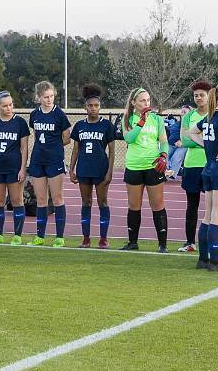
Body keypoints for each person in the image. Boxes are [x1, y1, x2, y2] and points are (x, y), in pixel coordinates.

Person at [120, 88, 169, 252]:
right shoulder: (127, 119)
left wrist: (163, 154)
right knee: (134, 205)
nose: (146, 104)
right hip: (134, 166)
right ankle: (133, 242)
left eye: (148, 100)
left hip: (153, 167)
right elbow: (129, 138)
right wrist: (141, 121)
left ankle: (162, 245)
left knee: (158, 204)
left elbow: (164, 141)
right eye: (142, 100)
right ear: (133, 103)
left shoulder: (156, 119)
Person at [69, 84, 115, 248]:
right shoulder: (80, 126)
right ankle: (86, 238)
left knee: (102, 202)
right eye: (90, 105)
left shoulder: (107, 126)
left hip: (100, 169)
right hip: (84, 169)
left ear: (100, 107)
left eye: (96, 105)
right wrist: (71, 169)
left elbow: (112, 151)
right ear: (85, 107)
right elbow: (75, 149)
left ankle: (103, 238)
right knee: (86, 202)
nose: (93, 108)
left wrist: (109, 172)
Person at [27, 81, 72, 247]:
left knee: (58, 197)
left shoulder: (59, 114)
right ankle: (40, 236)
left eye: (52, 96)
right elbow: (36, 133)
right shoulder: (34, 114)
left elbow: (66, 138)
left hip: (54, 160)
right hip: (38, 160)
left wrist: (53, 148)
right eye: (46, 97)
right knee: (40, 199)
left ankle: (59, 237)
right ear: (38, 97)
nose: (49, 99)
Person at [0, 91, 29, 245]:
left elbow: (24, 147)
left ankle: (17, 235)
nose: (9, 108)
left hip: (14, 168)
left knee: (17, 200)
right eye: (5, 106)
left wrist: (23, 168)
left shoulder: (20, 123)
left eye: (10, 104)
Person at [178, 82, 210, 252]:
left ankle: (211, 242)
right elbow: (185, 141)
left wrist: (198, 140)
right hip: (191, 165)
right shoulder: (188, 117)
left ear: (209, 95)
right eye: (196, 95)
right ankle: (190, 242)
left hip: (210, 165)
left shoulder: (214, 115)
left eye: (202, 95)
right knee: (192, 205)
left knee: (213, 206)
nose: (198, 98)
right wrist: (208, 142)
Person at [190, 87, 218, 270]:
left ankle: (202, 259)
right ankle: (215, 261)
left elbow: (192, 132)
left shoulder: (209, 117)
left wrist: (206, 146)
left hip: (208, 166)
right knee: (216, 214)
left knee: (208, 214)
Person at [167, 106, 191, 177]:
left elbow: (192, 135)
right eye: (182, 112)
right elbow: (169, 130)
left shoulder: (192, 124)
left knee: (176, 157)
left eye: (185, 112)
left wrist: (182, 142)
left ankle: (172, 174)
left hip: (183, 146)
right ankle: (165, 172)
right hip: (171, 144)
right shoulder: (177, 123)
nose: (183, 113)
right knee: (164, 155)